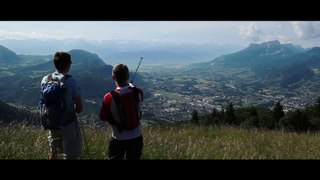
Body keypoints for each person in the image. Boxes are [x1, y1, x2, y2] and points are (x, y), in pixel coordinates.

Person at [40, 52, 83, 159]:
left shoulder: (45, 79)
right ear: (69, 64)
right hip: (68, 123)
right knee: (70, 155)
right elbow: (79, 108)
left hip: (51, 121)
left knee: (54, 153)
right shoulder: (72, 81)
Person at [100, 64, 144, 160]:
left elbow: (103, 117)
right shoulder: (139, 92)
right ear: (128, 76)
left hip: (118, 137)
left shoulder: (108, 97)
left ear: (113, 77)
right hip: (136, 137)